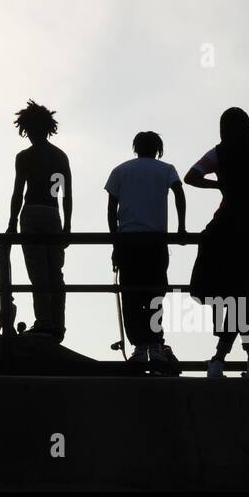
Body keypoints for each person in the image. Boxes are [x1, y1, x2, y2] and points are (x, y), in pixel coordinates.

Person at [184, 107, 249, 378]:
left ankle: (226, 358)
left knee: (234, 295)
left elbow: (191, 176)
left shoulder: (220, 153)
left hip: (225, 233)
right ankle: (247, 359)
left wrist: (218, 186)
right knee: (239, 294)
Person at [104, 131, 185, 370]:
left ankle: (139, 347)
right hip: (156, 241)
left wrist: (114, 241)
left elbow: (111, 209)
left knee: (130, 295)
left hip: (128, 241)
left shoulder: (120, 170)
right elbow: (179, 193)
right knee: (155, 294)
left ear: (135, 147)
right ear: (158, 148)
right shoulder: (167, 169)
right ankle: (155, 344)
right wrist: (181, 228)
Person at [6, 101, 73, 342]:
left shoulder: (24, 157)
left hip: (32, 212)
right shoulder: (59, 156)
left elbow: (18, 192)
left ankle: (44, 321)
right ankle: (58, 323)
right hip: (52, 213)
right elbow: (66, 194)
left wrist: (12, 223)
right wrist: (67, 225)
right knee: (56, 272)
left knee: (38, 272)